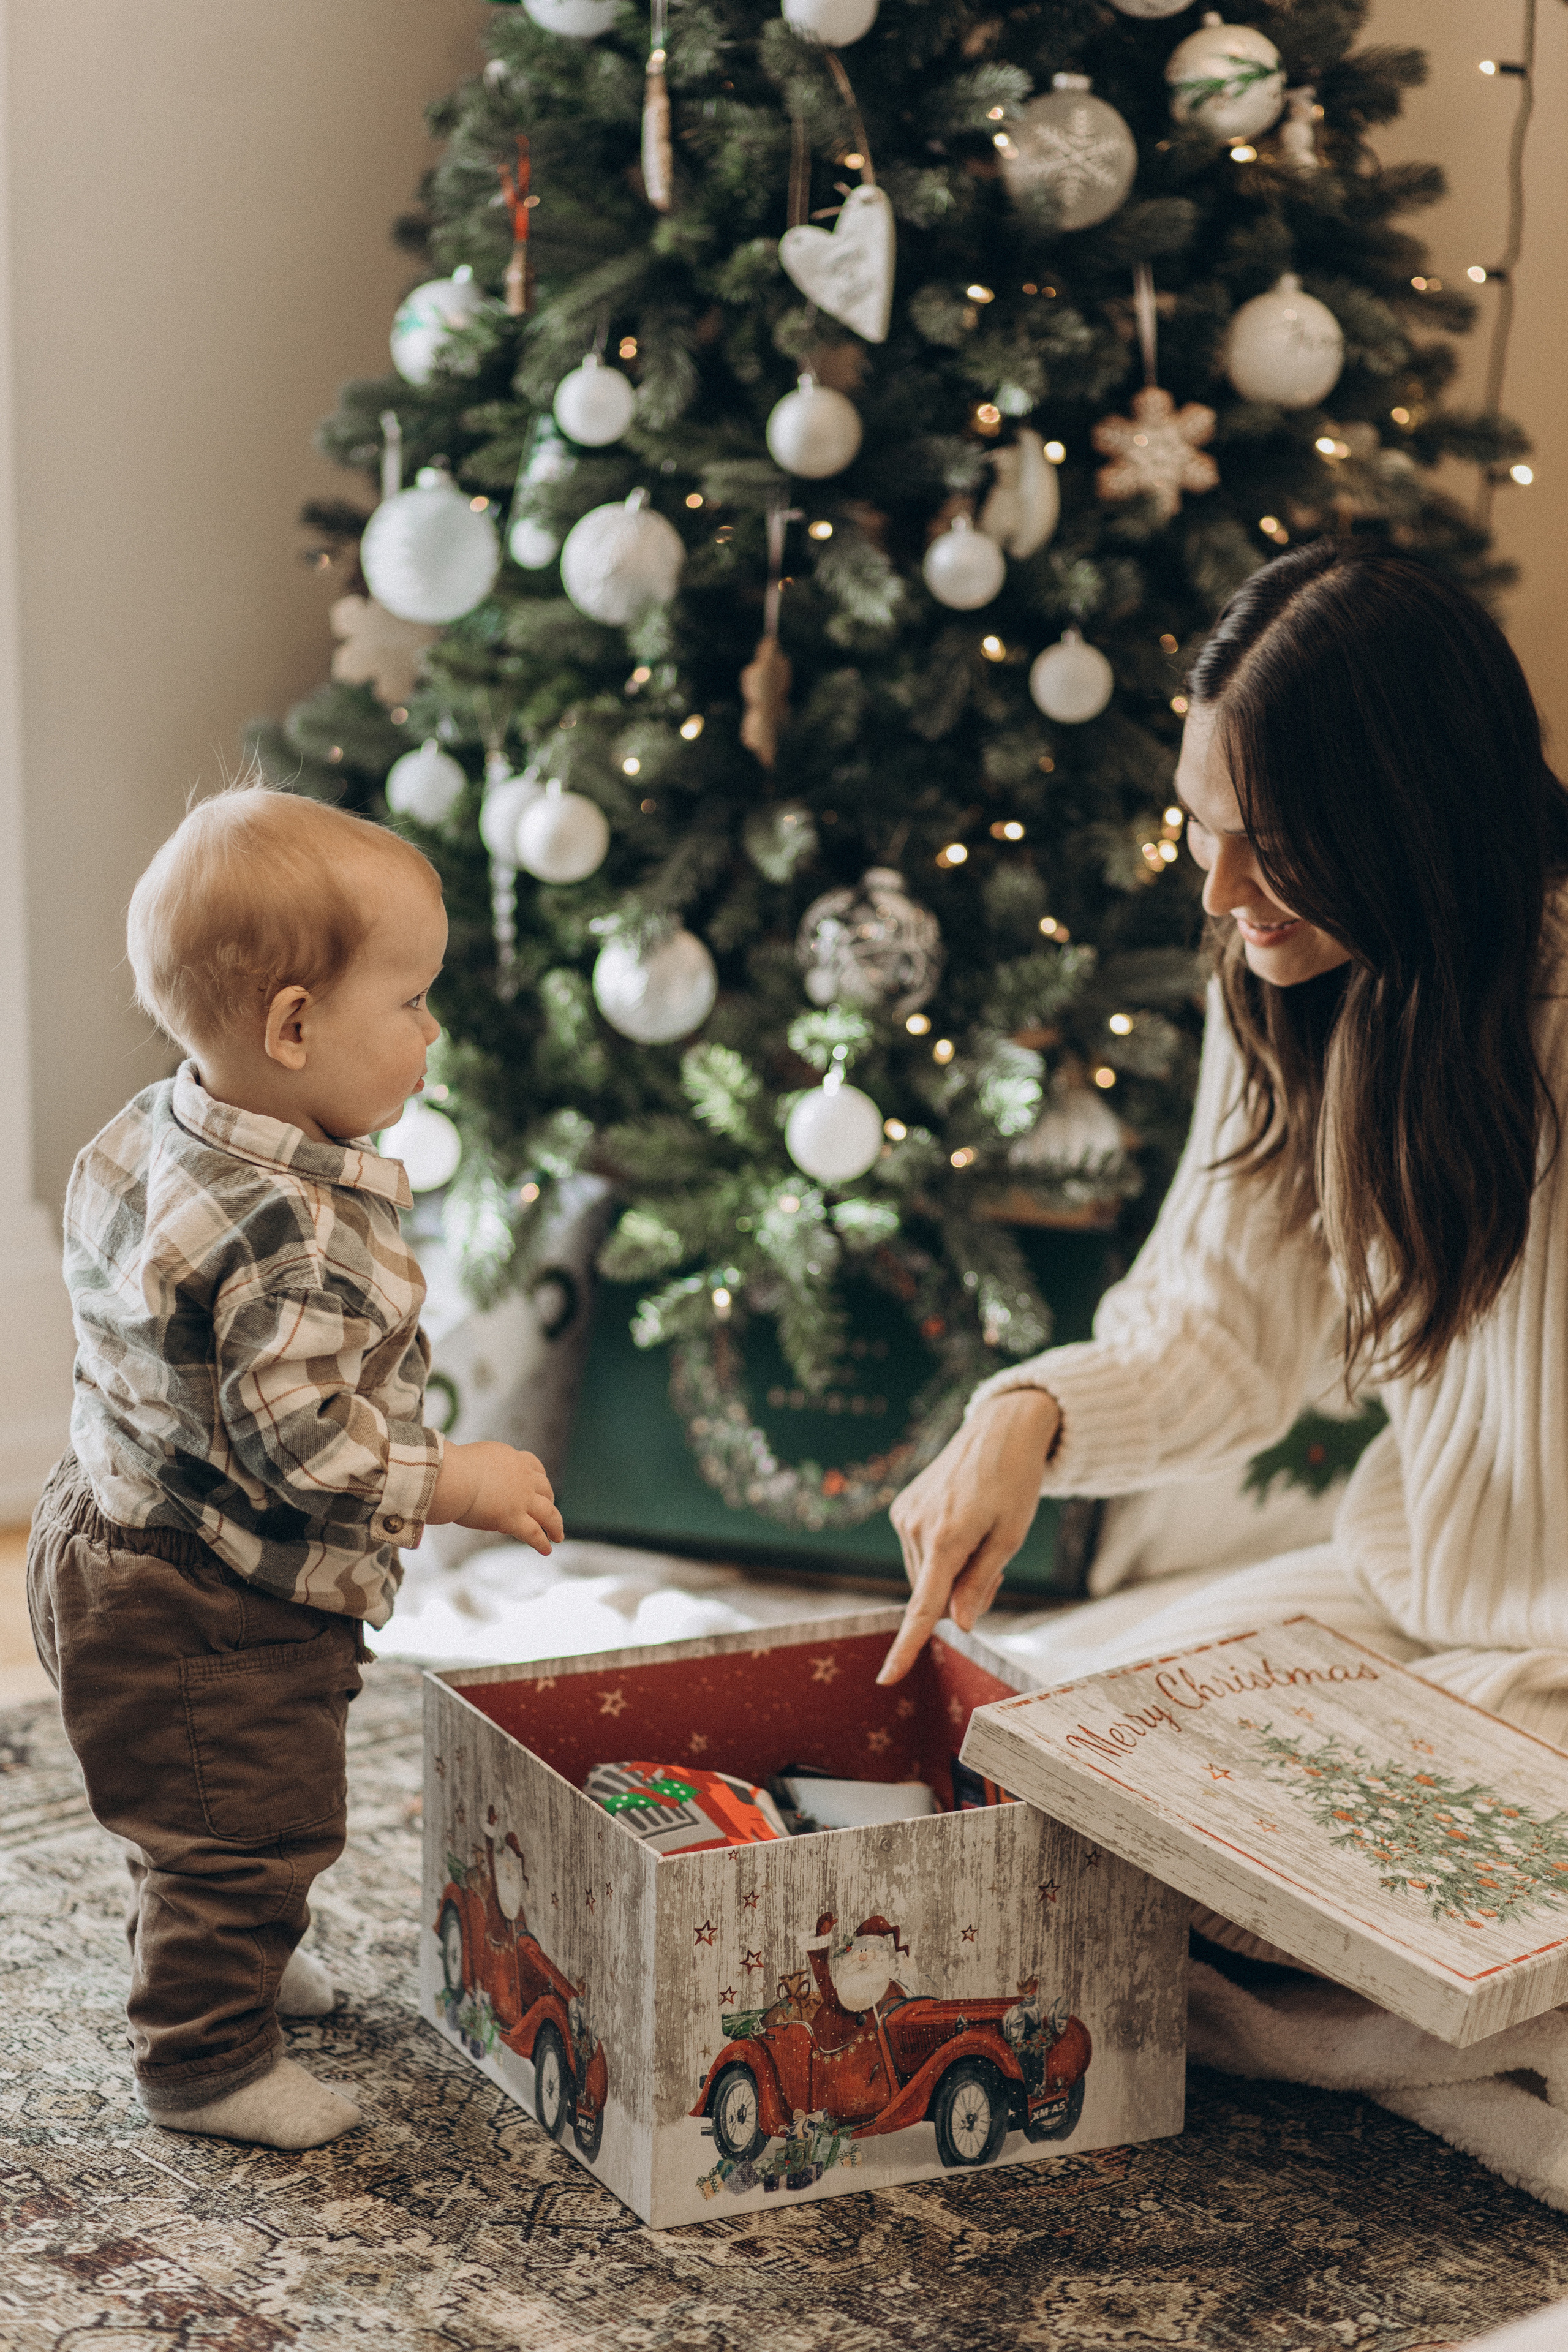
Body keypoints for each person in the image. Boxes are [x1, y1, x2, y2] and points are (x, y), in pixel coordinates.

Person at [878, 542, 1568, 1773]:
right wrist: (1028, 1418)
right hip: (1412, 1594)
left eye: (1275, 841)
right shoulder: (1284, 981)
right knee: (1048, 1762)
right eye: (1200, 828)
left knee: (1237, 1842)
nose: (1221, 891)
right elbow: (1222, 1330)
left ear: (1414, 824)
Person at [26, 786, 564, 2151]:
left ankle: (241, 1962)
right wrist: (460, 1478)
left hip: (102, 1525)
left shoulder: (157, 1121)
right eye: (413, 1002)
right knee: (245, 1826)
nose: (433, 1032)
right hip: (210, 1596)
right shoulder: (291, 1235)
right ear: (293, 1028)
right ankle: (205, 2060)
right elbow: (307, 1450)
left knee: (192, 1794)